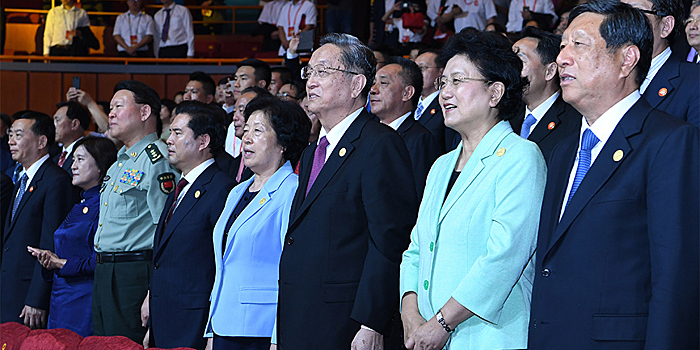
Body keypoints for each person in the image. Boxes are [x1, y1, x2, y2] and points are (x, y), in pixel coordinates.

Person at [528, 1, 699, 349]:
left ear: (627, 59)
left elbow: (676, 278)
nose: (562, 58)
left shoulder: (669, 141)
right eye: (562, 46)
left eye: (579, 44)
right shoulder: (563, 151)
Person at [399, 28, 545, 350]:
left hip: (488, 337)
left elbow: (503, 258)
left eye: (458, 81)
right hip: (427, 336)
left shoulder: (521, 157)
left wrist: (442, 322)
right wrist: (411, 316)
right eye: (443, 82)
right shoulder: (441, 166)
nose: (445, 93)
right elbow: (415, 250)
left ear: (495, 93)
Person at [274, 33, 419, 349]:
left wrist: (373, 321)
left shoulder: (379, 144)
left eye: (323, 71)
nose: (311, 80)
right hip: (300, 314)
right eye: (309, 72)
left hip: (347, 322)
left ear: (357, 85)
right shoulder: (314, 150)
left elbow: (389, 241)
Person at [206, 97, 310, 350]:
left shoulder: (292, 191)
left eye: (258, 130)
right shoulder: (237, 191)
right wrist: (211, 329)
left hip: (261, 328)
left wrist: (278, 335)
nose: (247, 138)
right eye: (247, 130)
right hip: (223, 323)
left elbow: (291, 269)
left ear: (283, 142)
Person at [142, 101, 235, 350]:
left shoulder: (221, 189)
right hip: (164, 315)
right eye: (170, 132)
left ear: (203, 141)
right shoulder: (181, 187)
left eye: (177, 133)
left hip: (194, 321)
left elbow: (222, 264)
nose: (168, 140)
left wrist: (213, 328)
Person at [92, 80, 178, 343]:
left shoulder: (157, 158)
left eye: (119, 106)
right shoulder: (120, 160)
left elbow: (167, 228)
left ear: (144, 113)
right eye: (111, 108)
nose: (112, 114)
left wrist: (154, 288)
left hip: (134, 272)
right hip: (105, 269)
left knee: (126, 344)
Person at [27, 137, 117, 337]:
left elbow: (101, 260)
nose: (73, 166)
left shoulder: (105, 204)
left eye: (80, 159)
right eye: (73, 159)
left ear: (101, 165)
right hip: (60, 298)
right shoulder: (79, 203)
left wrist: (60, 263)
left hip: (85, 299)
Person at [0, 111, 78, 327]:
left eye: (18, 134)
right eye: (10, 135)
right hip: (10, 288)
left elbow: (50, 243)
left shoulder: (56, 181)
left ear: (42, 141)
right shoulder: (21, 179)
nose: (11, 141)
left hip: (29, 296)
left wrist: (37, 298)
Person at [369, 57, 442, 199]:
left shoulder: (421, 140)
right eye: (373, 83)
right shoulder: (369, 133)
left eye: (383, 83)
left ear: (407, 93)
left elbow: (417, 196)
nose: (373, 90)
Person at [622, 0, 699, 127]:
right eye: (617, 14)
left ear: (666, 26)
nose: (622, 23)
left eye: (634, 13)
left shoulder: (695, 81)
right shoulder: (605, 77)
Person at [512, 26, 581, 163]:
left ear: (550, 71)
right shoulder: (506, 116)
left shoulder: (574, 121)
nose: (511, 69)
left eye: (519, 61)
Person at [413, 48, 460, 153]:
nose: (416, 74)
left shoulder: (447, 105)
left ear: (441, 72)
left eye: (422, 68)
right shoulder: (408, 104)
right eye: (415, 69)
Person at [223, 87, 271, 182]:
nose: (235, 117)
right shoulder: (233, 163)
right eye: (234, 111)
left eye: (241, 111)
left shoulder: (266, 165)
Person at [52, 101, 90, 175]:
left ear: (74, 124)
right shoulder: (55, 156)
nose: (54, 126)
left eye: (57, 120)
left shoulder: (88, 153)